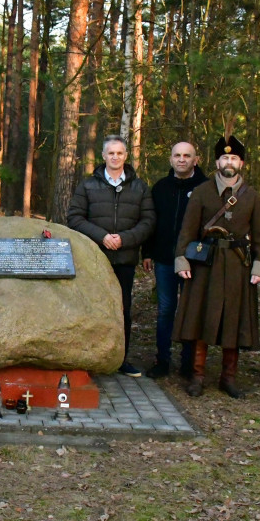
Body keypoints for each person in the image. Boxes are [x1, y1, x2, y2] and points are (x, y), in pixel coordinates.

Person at [172, 137, 260, 398]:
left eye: (234, 158)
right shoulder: (202, 192)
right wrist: (181, 259)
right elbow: (187, 230)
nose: (229, 162)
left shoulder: (252, 197)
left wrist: (259, 267)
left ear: (241, 163)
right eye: (225, 158)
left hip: (238, 265)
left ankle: (229, 378)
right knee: (201, 318)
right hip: (206, 265)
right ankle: (198, 376)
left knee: (233, 322)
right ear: (217, 162)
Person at [67, 136, 156, 377]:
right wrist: (102, 236)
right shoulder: (88, 186)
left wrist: (124, 239)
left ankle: (120, 359)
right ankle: (87, 357)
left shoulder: (140, 187)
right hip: (94, 259)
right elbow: (75, 217)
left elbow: (148, 222)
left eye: (119, 153)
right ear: (103, 156)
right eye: (111, 153)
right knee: (90, 308)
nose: (115, 157)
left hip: (125, 260)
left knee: (122, 309)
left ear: (126, 156)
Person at [142, 141, 207, 379]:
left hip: (194, 261)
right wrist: (147, 252)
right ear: (171, 159)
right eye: (177, 155)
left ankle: (189, 362)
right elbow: (151, 222)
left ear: (195, 159)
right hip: (164, 260)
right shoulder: (160, 188)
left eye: (187, 155)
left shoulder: (205, 188)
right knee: (166, 309)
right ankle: (162, 360)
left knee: (191, 311)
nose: (182, 159)